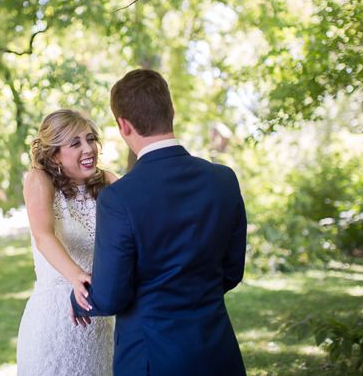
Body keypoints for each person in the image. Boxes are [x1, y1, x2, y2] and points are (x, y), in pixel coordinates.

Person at [70, 69, 247, 375]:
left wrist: (79, 300)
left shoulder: (119, 198)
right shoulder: (224, 180)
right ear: (171, 112)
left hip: (151, 359)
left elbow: (111, 296)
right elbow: (231, 272)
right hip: (218, 352)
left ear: (123, 125)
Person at [17, 109, 118, 375]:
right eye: (75, 143)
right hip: (55, 320)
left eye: (90, 139)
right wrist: (78, 278)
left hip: (100, 320)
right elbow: (44, 236)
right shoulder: (39, 180)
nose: (89, 148)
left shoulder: (108, 180)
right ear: (54, 155)